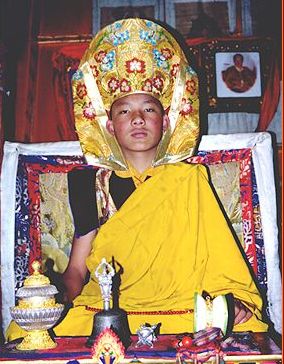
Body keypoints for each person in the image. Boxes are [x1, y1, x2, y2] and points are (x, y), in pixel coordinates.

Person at [6, 18, 267, 341]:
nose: (138, 118)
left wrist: (233, 303)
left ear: (166, 121)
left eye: (149, 109)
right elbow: (76, 270)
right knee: (23, 328)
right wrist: (54, 298)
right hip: (108, 306)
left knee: (237, 322)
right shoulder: (91, 184)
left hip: (181, 306)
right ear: (110, 125)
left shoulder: (189, 181)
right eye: (124, 111)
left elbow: (219, 262)